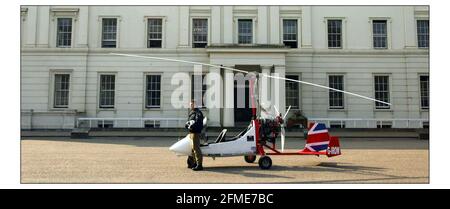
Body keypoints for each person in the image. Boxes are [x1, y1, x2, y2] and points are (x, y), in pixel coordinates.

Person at [185, 99, 204, 171]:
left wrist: (192, 126)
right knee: (193, 149)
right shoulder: (192, 113)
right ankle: (195, 163)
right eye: (190, 104)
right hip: (191, 132)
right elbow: (189, 121)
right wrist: (187, 125)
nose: (190, 106)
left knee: (196, 149)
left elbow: (198, 123)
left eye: (191, 104)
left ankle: (199, 165)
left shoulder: (198, 113)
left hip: (195, 133)